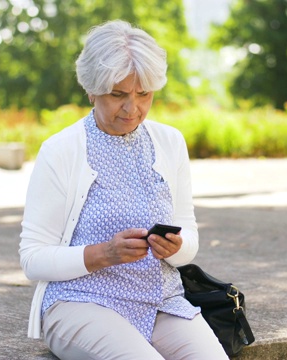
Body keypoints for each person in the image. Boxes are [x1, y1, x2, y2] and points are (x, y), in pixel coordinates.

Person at [18, 20, 228, 359]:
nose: (132, 109)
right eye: (118, 95)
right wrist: (104, 254)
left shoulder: (170, 142)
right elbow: (33, 258)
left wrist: (173, 248)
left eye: (143, 94)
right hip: (81, 302)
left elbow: (189, 237)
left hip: (162, 302)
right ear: (91, 89)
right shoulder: (61, 151)